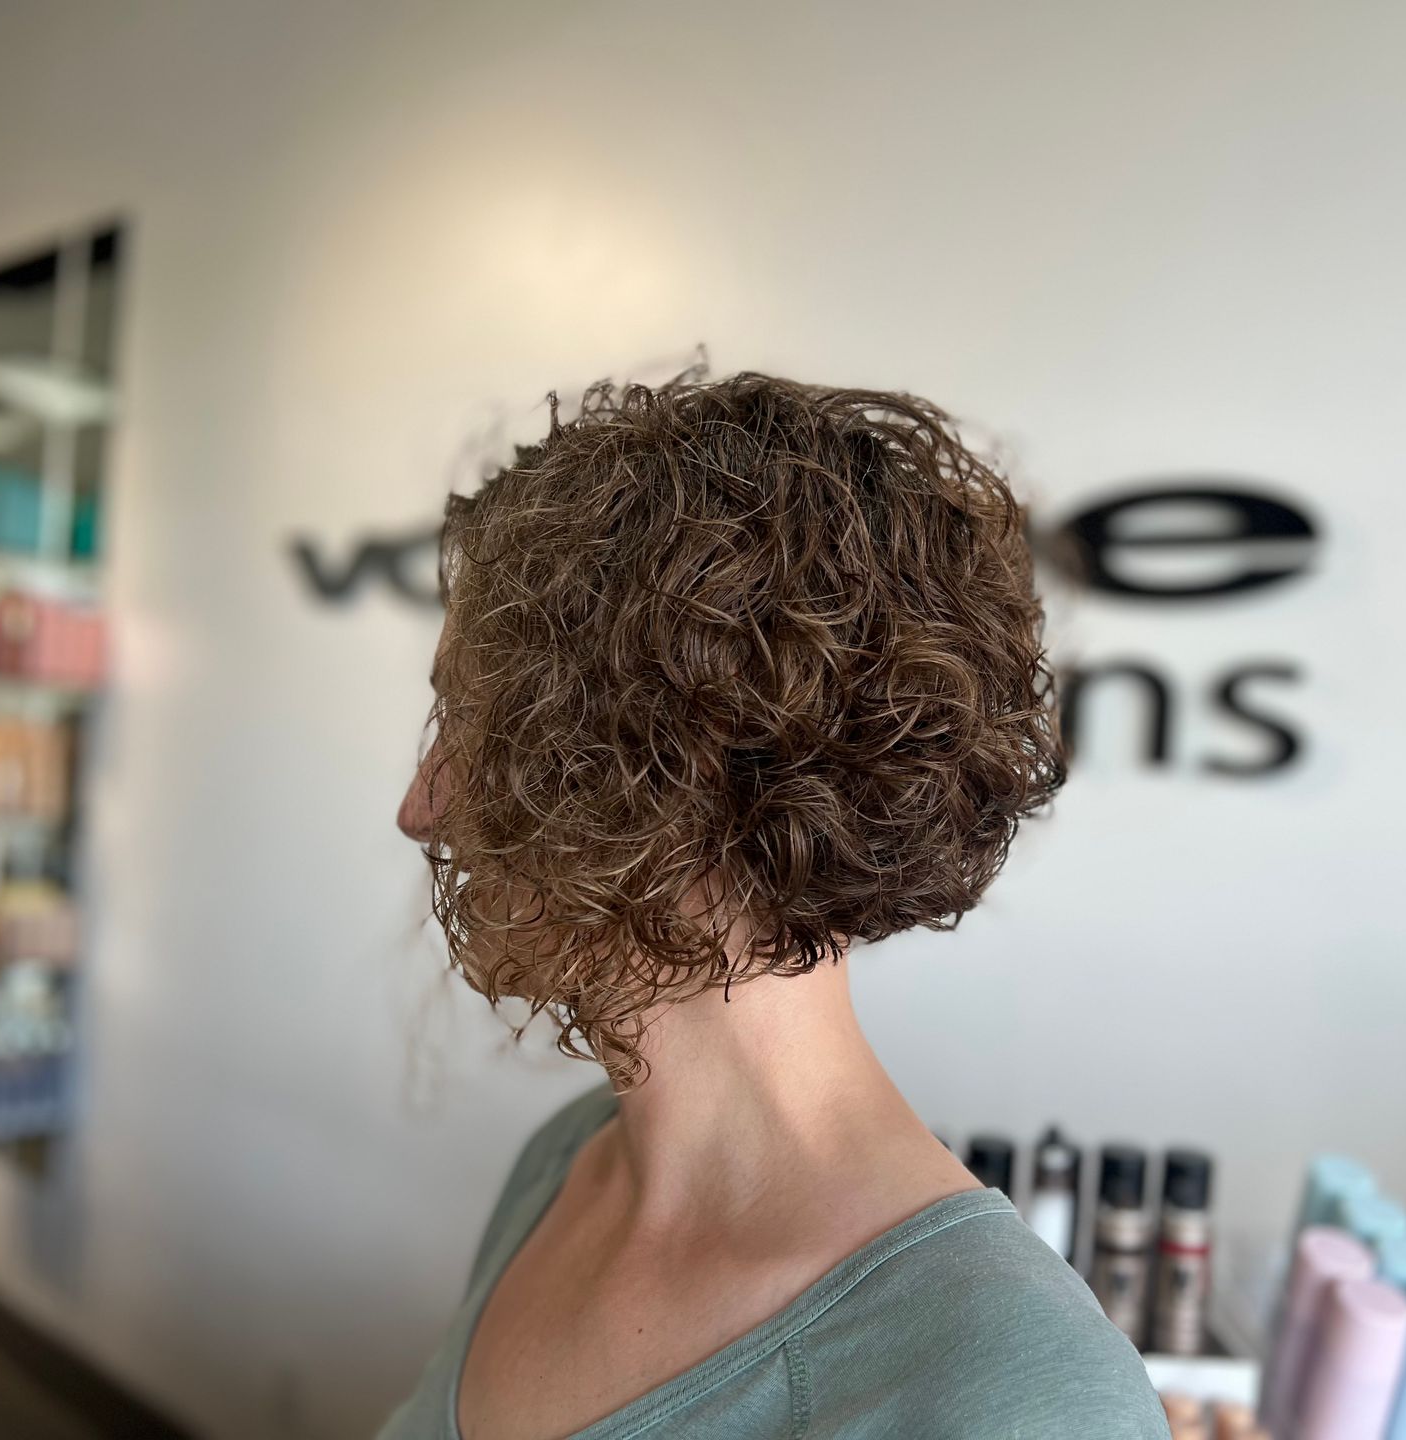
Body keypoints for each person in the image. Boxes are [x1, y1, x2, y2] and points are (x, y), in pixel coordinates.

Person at [383, 372, 1166, 1439]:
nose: (421, 807)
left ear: (666, 770)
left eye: (469, 724)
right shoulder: (565, 1162)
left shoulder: (1018, 1398)